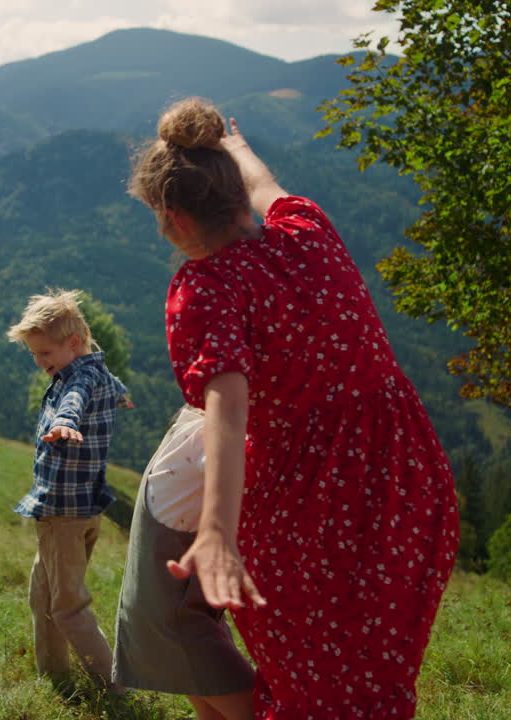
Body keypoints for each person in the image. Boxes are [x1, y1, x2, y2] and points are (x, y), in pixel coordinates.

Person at [126, 97, 460, 719]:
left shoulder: (208, 288)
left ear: (174, 220)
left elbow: (225, 406)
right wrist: (232, 140)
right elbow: (265, 182)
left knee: (316, 688)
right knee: (373, 681)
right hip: (407, 480)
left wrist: (218, 531)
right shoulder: (306, 226)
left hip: (310, 508)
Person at [5, 288, 129, 692]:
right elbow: (108, 383)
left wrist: (66, 421)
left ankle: (114, 686)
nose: (40, 363)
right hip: (80, 509)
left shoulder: (76, 382)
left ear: (73, 343)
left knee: (68, 606)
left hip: (64, 512)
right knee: (43, 596)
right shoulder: (97, 373)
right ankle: (54, 676)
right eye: (34, 355)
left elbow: (73, 401)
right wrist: (121, 396)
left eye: (45, 354)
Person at [112, 405, 256, 720]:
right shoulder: (208, 434)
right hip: (180, 621)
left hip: (164, 610)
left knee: (212, 711)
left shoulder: (185, 425)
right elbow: (247, 475)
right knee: (254, 710)